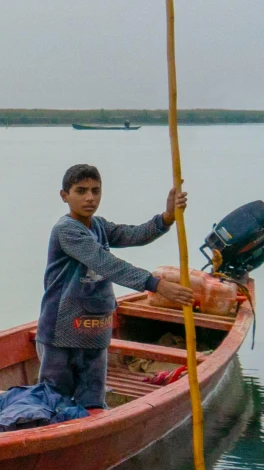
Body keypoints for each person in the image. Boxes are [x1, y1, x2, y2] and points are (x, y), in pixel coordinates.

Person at [36, 162, 197, 416]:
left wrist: (166, 218)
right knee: (54, 403)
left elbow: (134, 235)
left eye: (95, 190)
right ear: (64, 195)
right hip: (61, 330)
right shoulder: (67, 230)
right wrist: (156, 285)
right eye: (81, 191)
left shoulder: (98, 225)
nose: (90, 198)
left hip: (95, 329)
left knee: (92, 403)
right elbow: (105, 263)